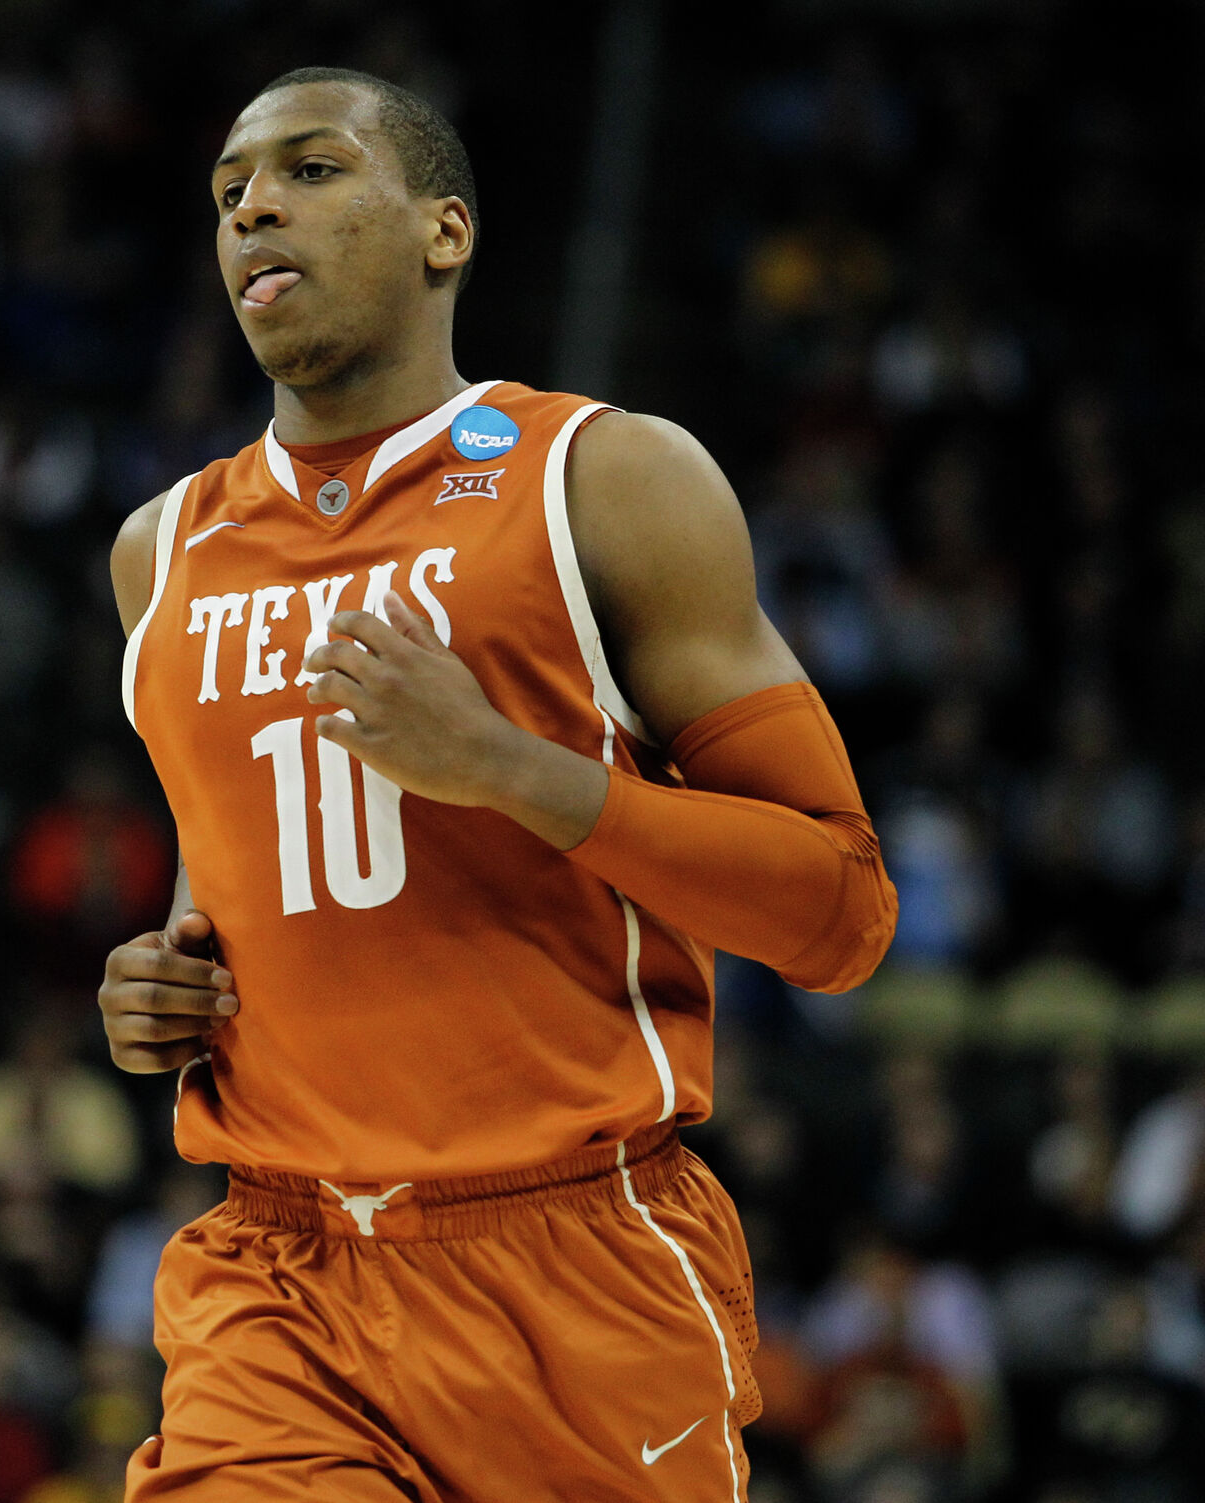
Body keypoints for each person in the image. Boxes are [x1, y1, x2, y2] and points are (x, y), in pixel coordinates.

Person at [97, 67, 898, 1502]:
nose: (253, 206)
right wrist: (158, 984)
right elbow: (226, 879)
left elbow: (841, 915)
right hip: (278, 1275)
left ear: (443, 231)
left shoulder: (606, 480)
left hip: (579, 1267)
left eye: (311, 170)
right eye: (228, 192)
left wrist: (508, 770)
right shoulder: (164, 552)